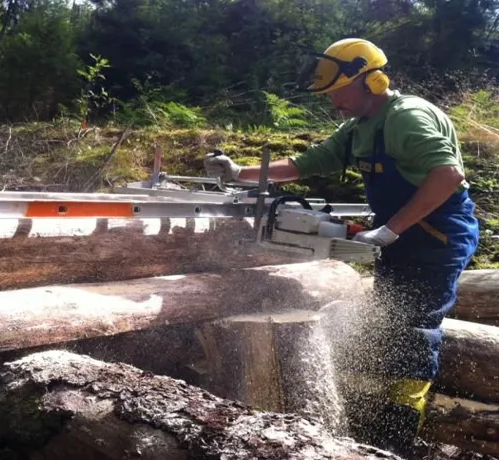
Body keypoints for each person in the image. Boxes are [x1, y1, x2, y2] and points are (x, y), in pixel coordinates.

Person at [204, 38, 479, 453]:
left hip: (437, 235)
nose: (334, 103)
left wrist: (390, 230)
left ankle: (399, 434)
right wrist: (238, 171)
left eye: (338, 92)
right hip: (402, 233)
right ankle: (381, 410)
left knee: (417, 327)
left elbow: (448, 175)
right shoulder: (358, 128)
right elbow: (304, 165)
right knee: (391, 319)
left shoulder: (407, 116)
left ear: (372, 80)